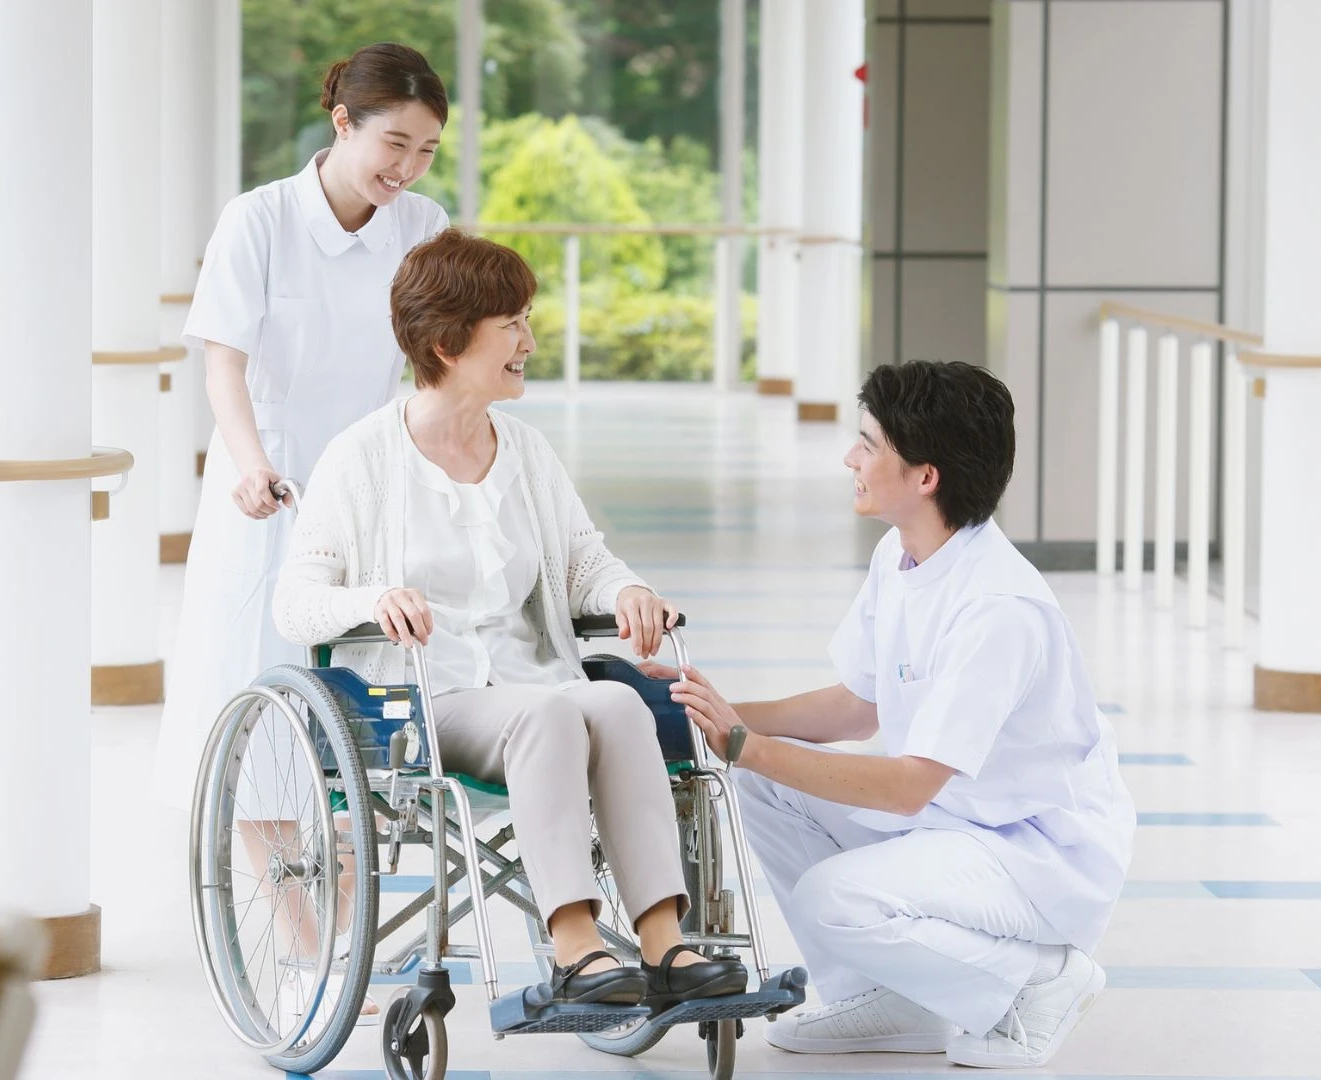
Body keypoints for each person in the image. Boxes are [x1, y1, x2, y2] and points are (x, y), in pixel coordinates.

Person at [271, 229, 748, 1009]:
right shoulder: (360, 458)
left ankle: (665, 944)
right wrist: (372, 600)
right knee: (550, 718)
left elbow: (582, 559)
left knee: (618, 701)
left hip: (535, 680)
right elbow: (297, 601)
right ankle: (573, 950)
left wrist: (625, 591)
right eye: (512, 325)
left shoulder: (524, 450)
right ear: (447, 343)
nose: (530, 340)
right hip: (428, 701)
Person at [648, 360, 1136, 1068]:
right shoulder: (902, 554)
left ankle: (1039, 982)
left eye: (869, 444)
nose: (851, 457)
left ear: (925, 477)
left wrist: (744, 742)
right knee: (760, 783)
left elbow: (909, 784)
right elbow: (855, 708)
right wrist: (718, 714)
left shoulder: (998, 609)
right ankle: (882, 997)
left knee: (831, 899)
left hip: (1031, 849)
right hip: (954, 817)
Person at [152, 42, 451, 808]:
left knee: (365, 687)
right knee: (255, 673)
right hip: (270, 480)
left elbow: (434, 362)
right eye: (395, 144)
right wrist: (251, 467)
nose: (409, 168)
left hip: (373, 479)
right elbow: (225, 364)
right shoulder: (259, 219)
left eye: (426, 150)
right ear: (343, 122)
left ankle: (346, 880)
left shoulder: (423, 224)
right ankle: (285, 901)